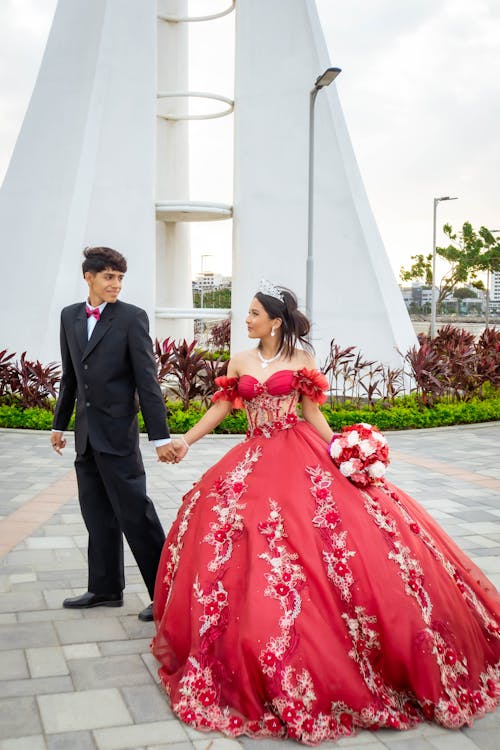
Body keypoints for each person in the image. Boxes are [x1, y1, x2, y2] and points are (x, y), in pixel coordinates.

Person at [152, 281, 499, 744]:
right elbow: (220, 408)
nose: (247, 319)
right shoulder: (240, 360)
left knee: (329, 536)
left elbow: (314, 414)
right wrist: (185, 442)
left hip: (301, 452)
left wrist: (343, 451)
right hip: (254, 455)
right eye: (248, 313)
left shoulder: (303, 360)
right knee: (230, 526)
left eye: (254, 313)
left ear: (275, 321)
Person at [51, 246, 177, 622]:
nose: (116, 284)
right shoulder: (69, 316)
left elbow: (147, 382)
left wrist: (160, 437)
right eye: (109, 277)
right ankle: (105, 587)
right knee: (97, 514)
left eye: (120, 277)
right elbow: (70, 376)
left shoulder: (131, 319)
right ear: (88, 277)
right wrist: (59, 425)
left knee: (136, 514)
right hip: (86, 436)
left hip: (119, 437)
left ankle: (164, 593)